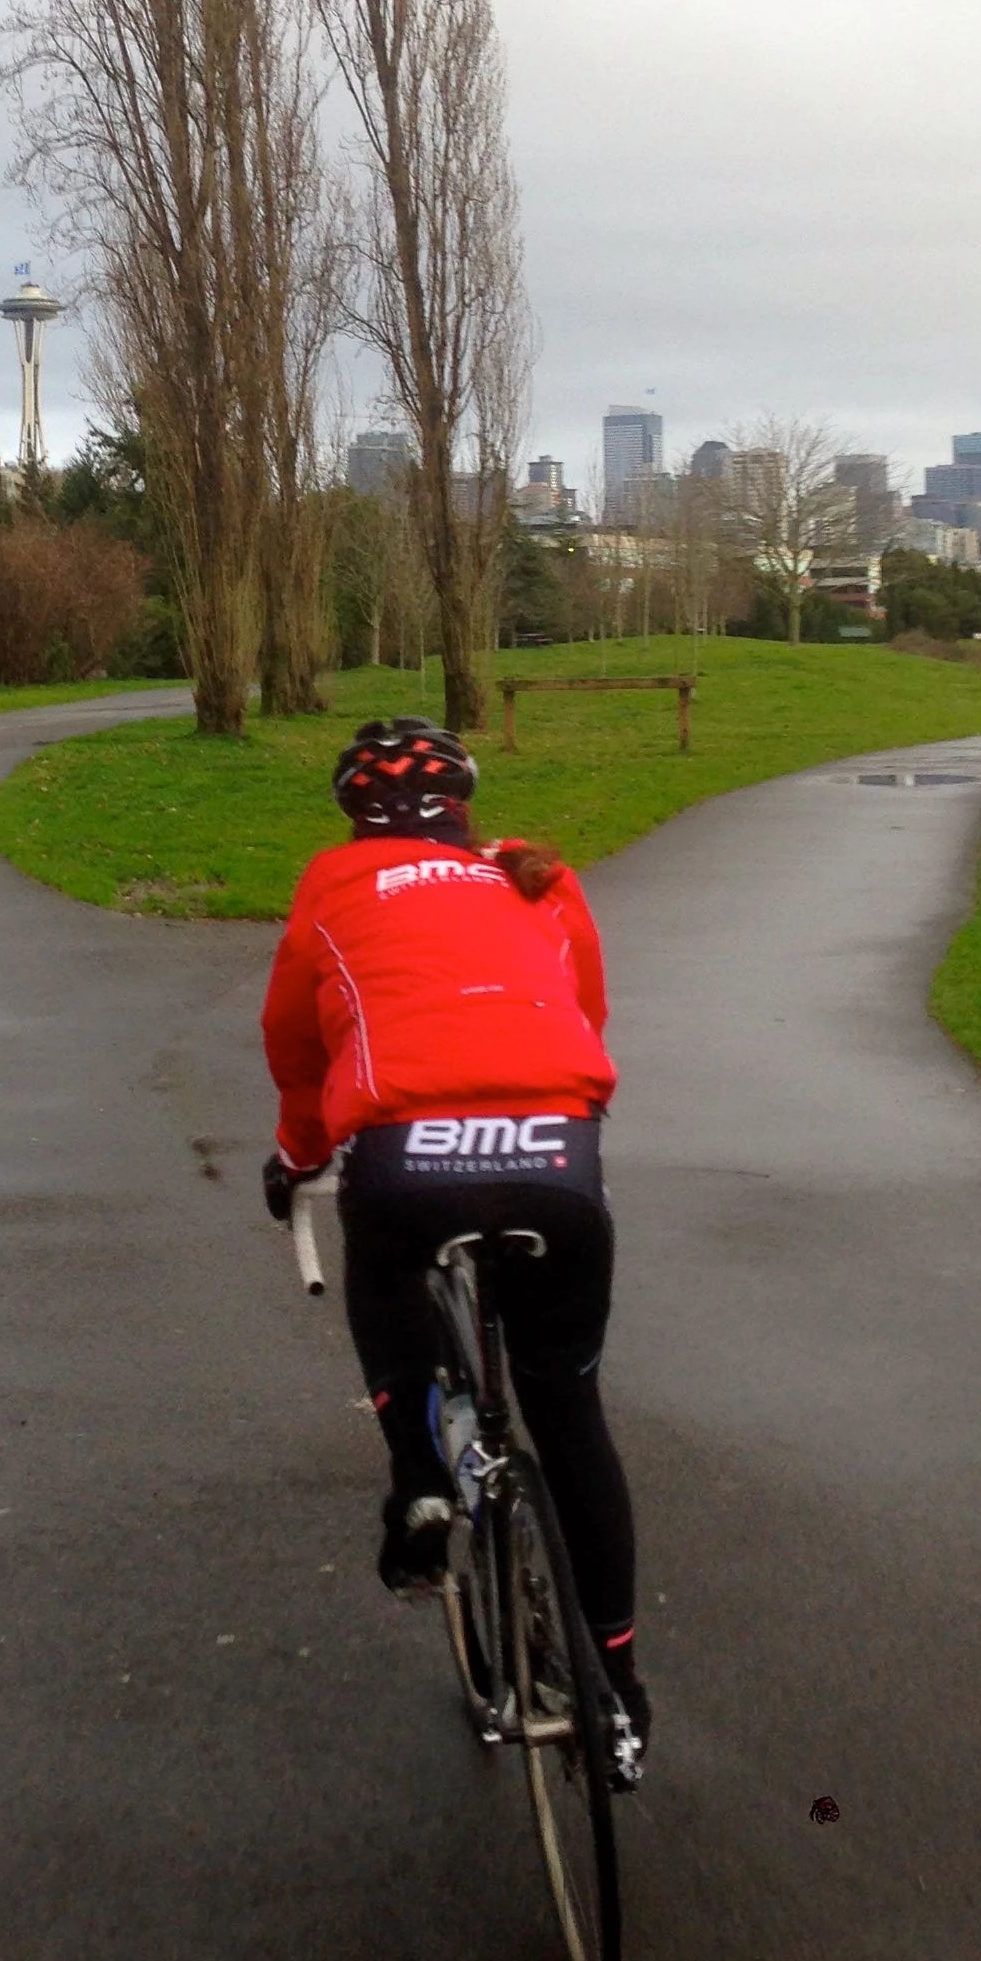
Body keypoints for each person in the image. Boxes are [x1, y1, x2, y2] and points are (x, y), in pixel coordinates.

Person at [259, 716, 648, 1771]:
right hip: (553, 1153)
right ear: (463, 800)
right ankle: (614, 1692)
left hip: (401, 1155)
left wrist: (295, 1157)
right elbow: (584, 1014)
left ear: (351, 812)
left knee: (380, 1267)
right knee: (567, 1412)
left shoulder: (333, 884)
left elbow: (295, 1047)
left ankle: (419, 1475)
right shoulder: (533, 874)